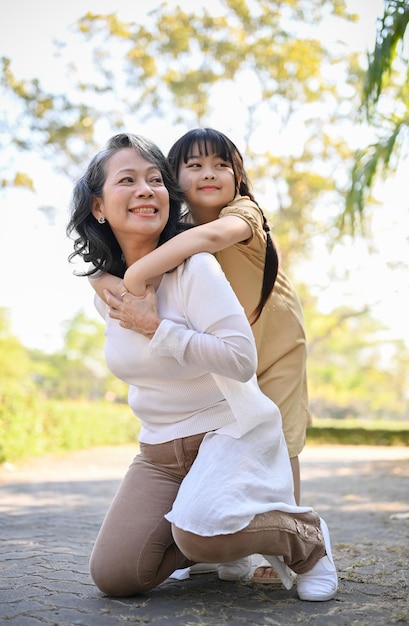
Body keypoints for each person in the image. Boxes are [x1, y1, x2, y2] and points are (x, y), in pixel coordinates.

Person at [66, 132, 338, 602]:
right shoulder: (107, 292)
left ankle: (304, 539)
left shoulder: (196, 266)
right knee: (116, 576)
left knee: (201, 535)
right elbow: (106, 276)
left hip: (226, 431)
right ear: (98, 207)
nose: (145, 189)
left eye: (155, 179)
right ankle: (215, 530)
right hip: (160, 451)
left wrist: (158, 325)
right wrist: (104, 277)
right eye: (127, 180)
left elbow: (239, 360)